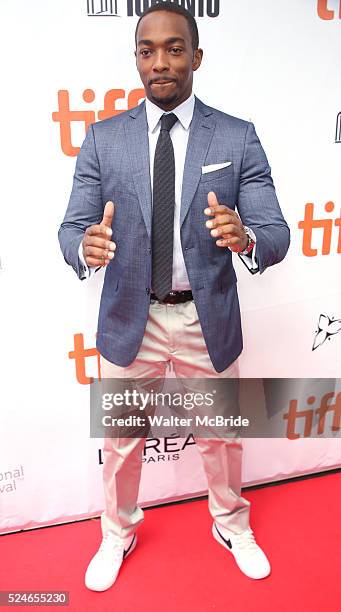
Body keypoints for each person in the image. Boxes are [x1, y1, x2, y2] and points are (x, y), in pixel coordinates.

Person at [58, 2, 290, 590]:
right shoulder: (103, 138)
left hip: (204, 315)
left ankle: (232, 523)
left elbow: (278, 233)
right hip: (128, 317)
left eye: (174, 48)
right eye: (147, 50)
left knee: (222, 434)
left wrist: (248, 236)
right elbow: (71, 227)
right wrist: (84, 244)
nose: (160, 62)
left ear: (197, 56)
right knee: (121, 441)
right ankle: (117, 531)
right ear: (137, 58)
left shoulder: (237, 136)